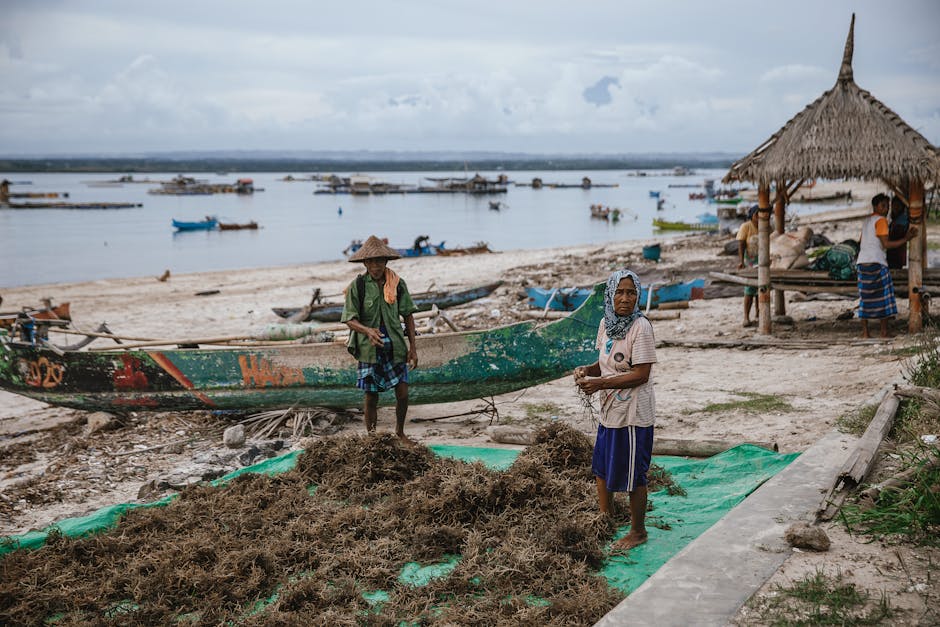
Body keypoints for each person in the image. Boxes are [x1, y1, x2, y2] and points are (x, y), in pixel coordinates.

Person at [575, 269, 657, 552]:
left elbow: (641, 374)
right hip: (610, 410)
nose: (625, 299)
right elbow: (605, 363)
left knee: (634, 473)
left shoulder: (641, 328)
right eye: (619, 292)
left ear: (638, 296)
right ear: (609, 295)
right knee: (601, 467)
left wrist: (598, 383)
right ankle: (605, 518)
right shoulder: (605, 324)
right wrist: (588, 371)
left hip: (633, 414)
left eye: (631, 293)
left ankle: (637, 531)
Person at [341, 235, 419, 442]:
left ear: (386, 261)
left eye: (379, 261)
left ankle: (400, 432)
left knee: (402, 393)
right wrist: (367, 330)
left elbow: (408, 315)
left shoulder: (397, 284)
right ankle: (372, 438)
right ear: (365, 263)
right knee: (371, 396)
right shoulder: (358, 286)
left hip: (395, 346)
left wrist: (413, 348)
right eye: (370, 261)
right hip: (369, 349)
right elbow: (349, 318)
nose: (375, 265)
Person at [857, 193, 918, 339]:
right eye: (883, 205)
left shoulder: (867, 220)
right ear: (875, 206)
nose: (886, 208)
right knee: (884, 297)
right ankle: (884, 332)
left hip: (862, 262)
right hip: (877, 262)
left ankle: (866, 333)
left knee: (865, 298)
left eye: (887, 206)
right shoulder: (882, 221)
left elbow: (861, 241)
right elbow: (886, 244)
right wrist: (906, 238)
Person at [736, 204, 760, 327]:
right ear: (752, 216)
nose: (759, 217)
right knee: (749, 289)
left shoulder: (766, 226)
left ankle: (759, 313)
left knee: (761, 289)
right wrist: (741, 261)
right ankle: (746, 317)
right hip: (750, 260)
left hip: (763, 260)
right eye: (757, 214)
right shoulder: (746, 227)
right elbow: (741, 244)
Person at [886, 196, 909, 270]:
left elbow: (895, 236)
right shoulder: (897, 219)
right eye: (893, 205)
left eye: (898, 205)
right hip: (894, 252)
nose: (895, 208)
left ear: (902, 206)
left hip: (896, 252)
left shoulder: (903, 219)